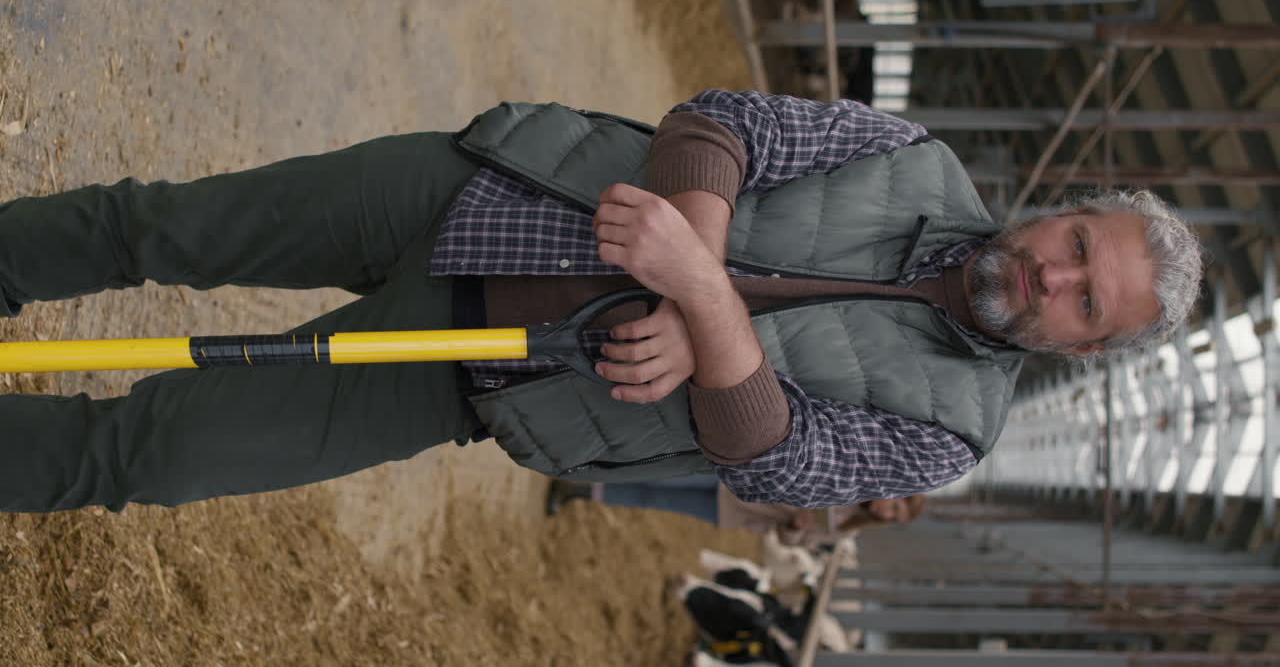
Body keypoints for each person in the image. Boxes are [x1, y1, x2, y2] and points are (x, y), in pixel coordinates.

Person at [0, 89, 1203, 514]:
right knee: (157, 225)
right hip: (487, 192)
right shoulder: (912, 155)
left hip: (473, 374)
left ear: (1076, 343)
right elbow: (725, 122)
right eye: (1074, 243)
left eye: (1084, 302)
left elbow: (767, 454)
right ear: (1063, 210)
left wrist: (701, 303)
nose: (1051, 275)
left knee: (140, 458)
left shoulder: (951, 430)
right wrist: (694, 265)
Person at [546, 476, 924, 549]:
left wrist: (797, 526)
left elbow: (791, 542)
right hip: (738, 477)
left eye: (891, 518)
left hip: (734, 512)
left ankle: (578, 493)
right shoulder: (851, 479)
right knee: (661, 476)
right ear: (893, 493)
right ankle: (582, 474)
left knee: (654, 499)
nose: (885, 513)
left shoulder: (846, 530)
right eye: (894, 506)